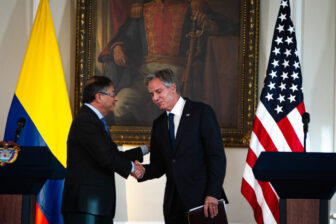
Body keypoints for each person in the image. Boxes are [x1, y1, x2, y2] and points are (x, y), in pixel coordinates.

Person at [98, 0, 237, 125]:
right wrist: (117, 46)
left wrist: (210, 26)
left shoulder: (191, 7)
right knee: (121, 105)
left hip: (174, 72)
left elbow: (228, 25)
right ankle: (141, 136)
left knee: (164, 108)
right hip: (145, 74)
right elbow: (125, 36)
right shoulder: (142, 10)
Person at [136, 69, 227, 223]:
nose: (155, 98)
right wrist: (142, 171)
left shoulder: (201, 112)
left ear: (173, 88)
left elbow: (216, 157)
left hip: (203, 202)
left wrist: (213, 193)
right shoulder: (158, 124)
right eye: (152, 94)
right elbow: (159, 166)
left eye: (159, 91)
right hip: (174, 205)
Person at [61, 76, 147, 224]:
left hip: (95, 206)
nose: (116, 99)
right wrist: (133, 168)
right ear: (99, 97)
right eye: (113, 94)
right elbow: (106, 157)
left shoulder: (94, 120)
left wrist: (147, 148)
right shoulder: (86, 121)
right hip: (86, 206)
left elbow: (113, 155)